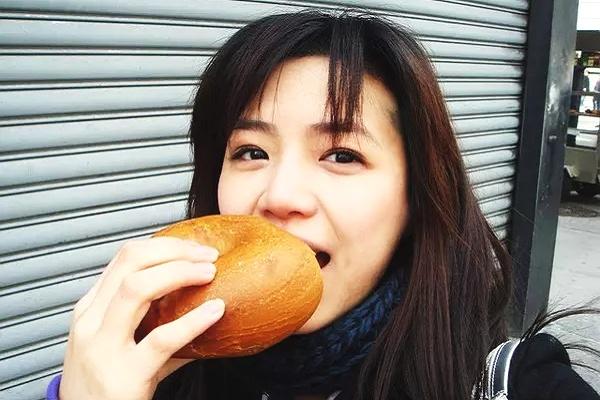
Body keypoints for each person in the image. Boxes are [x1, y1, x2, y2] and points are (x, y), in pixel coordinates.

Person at [47, 11, 600, 400]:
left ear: (417, 196)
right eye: (251, 151)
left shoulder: (522, 385)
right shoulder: (144, 376)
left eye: (341, 155)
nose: (280, 196)